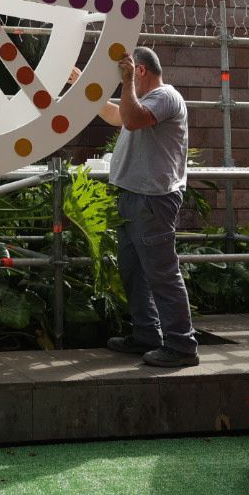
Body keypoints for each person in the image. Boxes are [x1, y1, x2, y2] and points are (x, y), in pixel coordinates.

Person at [91, 46, 199, 368]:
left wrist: (126, 83)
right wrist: (84, 93)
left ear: (139, 70)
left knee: (162, 274)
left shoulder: (165, 97)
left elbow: (132, 119)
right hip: (134, 197)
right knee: (133, 271)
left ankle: (181, 345)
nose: (121, 81)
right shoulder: (142, 101)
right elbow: (118, 115)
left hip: (153, 200)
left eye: (126, 74)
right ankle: (147, 334)